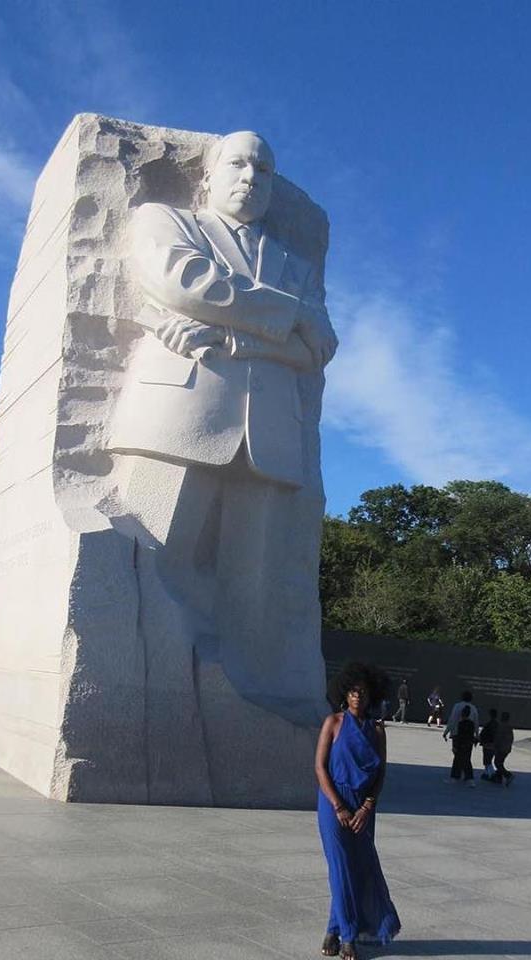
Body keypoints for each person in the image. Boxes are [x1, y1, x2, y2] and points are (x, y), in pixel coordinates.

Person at [104, 129, 338, 728]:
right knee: (154, 558)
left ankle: (247, 701)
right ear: (208, 175)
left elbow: (320, 347)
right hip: (181, 414)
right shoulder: (168, 221)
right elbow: (184, 282)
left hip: (271, 436)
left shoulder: (295, 263)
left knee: (253, 584)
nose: (250, 178)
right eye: (237, 164)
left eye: (262, 169)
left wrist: (236, 334)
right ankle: (142, 692)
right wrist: (287, 317)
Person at [315, 662, 401, 959]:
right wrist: (338, 806)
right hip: (332, 802)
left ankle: (332, 927)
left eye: (363, 693)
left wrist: (367, 806)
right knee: (339, 865)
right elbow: (319, 767)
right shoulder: (333, 723)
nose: (357, 697)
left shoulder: (377, 731)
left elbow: (381, 774)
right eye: (353, 692)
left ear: (371, 696)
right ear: (345, 693)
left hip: (363, 805)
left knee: (356, 867)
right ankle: (348, 936)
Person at [451, 708, 478, 786]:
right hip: (469, 744)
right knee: (467, 760)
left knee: (457, 760)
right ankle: (469, 779)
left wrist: (455, 745)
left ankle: (455, 777)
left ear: (462, 714)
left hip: (461, 744)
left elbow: (459, 736)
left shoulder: (460, 723)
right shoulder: (471, 723)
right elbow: (471, 734)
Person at [493, 711, 515, 786]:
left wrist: (495, 746)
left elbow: (498, 738)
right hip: (507, 748)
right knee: (500, 762)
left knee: (497, 763)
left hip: (501, 748)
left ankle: (508, 775)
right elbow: (511, 738)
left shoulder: (501, 726)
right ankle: (498, 777)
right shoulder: (509, 727)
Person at [479, 708, 499, 779]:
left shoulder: (488, 724)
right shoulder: (497, 725)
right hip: (494, 745)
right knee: (489, 759)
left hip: (487, 744)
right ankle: (487, 773)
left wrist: (480, 740)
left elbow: (483, 734)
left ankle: (491, 773)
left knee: (487, 760)